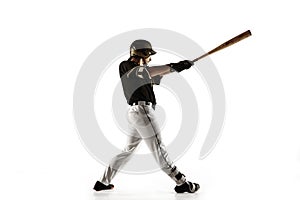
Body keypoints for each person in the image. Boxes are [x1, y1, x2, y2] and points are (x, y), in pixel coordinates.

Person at [93, 39, 200, 193]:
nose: (150, 57)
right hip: (142, 112)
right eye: (148, 54)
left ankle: (103, 182)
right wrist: (175, 66)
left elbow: (158, 74)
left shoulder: (142, 72)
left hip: (136, 113)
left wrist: (180, 67)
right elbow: (151, 71)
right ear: (142, 53)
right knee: (159, 149)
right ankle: (181, 182)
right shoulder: (127, 65)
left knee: (128, 151)